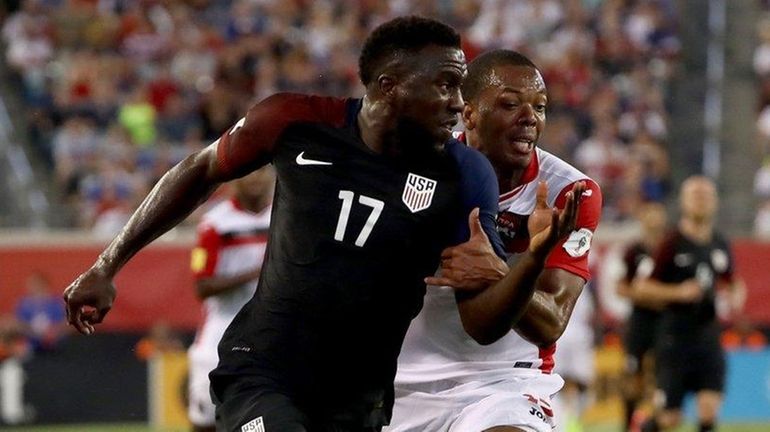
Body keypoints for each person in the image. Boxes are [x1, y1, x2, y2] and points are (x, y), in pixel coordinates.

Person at [62, 17, 581, 432]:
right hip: (266, 371)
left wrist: (530, 259)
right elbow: (200, 170)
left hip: (364, 398)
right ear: (390, 86)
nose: (458, 103)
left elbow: (482, 324)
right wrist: (108, 265)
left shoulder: (464, 175)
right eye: (447, 85)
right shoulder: (294, 121)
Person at [386, 49, 602, 432]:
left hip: (504, 382)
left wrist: (501, 270)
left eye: (540, 107)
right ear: (468, 113)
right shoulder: (413, 169)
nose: (530, 118)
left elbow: (551, 324)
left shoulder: (569, 193)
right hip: (397, 379)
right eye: (510, 104)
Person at [636, 176, 746, 432]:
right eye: (696, 195)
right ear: (684, 202)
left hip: (708, 337)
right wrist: (678, 292)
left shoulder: (720, 243)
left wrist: (737, 293)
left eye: (706, 195)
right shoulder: (671, 243)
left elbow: (732, 280)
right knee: (669, 418)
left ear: (715, 202)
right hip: (675, 339)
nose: (701, 201)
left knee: (709, 408)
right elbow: (642, 288)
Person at [186, 167, 274, 432]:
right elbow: (201, 286)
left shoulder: (285, 216)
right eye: (249, 172)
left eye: (261, 172)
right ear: (235, 178)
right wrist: (256, 273)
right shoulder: (215, 224)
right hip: (221, 330)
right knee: (205, 418)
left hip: (271, 330)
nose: (255, 178)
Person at [615, 202, 668, 432]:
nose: (654, 220)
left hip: (666, 322)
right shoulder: (634, 251)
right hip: (640, 322)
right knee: (633, 378)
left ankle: (654, 425)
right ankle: (629, 425)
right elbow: (621, 287)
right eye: (650, 215)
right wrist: (645, 296)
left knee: (661, 377)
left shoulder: (671, 249)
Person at [15, 271, 68, 353]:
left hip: (55, 342)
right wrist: (34, 332)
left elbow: (66, 321)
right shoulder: (24, 304)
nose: (32, 287)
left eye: (35, 284)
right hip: (31, 343)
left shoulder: (56, 302)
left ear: (43, 284)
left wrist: (55, 331)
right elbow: (19, 323)